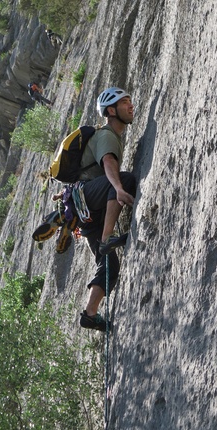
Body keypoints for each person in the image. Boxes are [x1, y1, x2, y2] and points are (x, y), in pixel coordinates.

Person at [77, 87, 137, 332]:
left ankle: (90, 314)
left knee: (109, 262)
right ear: (111, 111)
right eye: (124, 103)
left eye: (130, 101)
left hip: (87, 211)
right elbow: (109, 163)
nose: (131, 105)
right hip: (89, 197)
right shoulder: (107, 135)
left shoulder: (110, 135)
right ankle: (106, 237)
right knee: (126, 181)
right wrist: (119, 189)